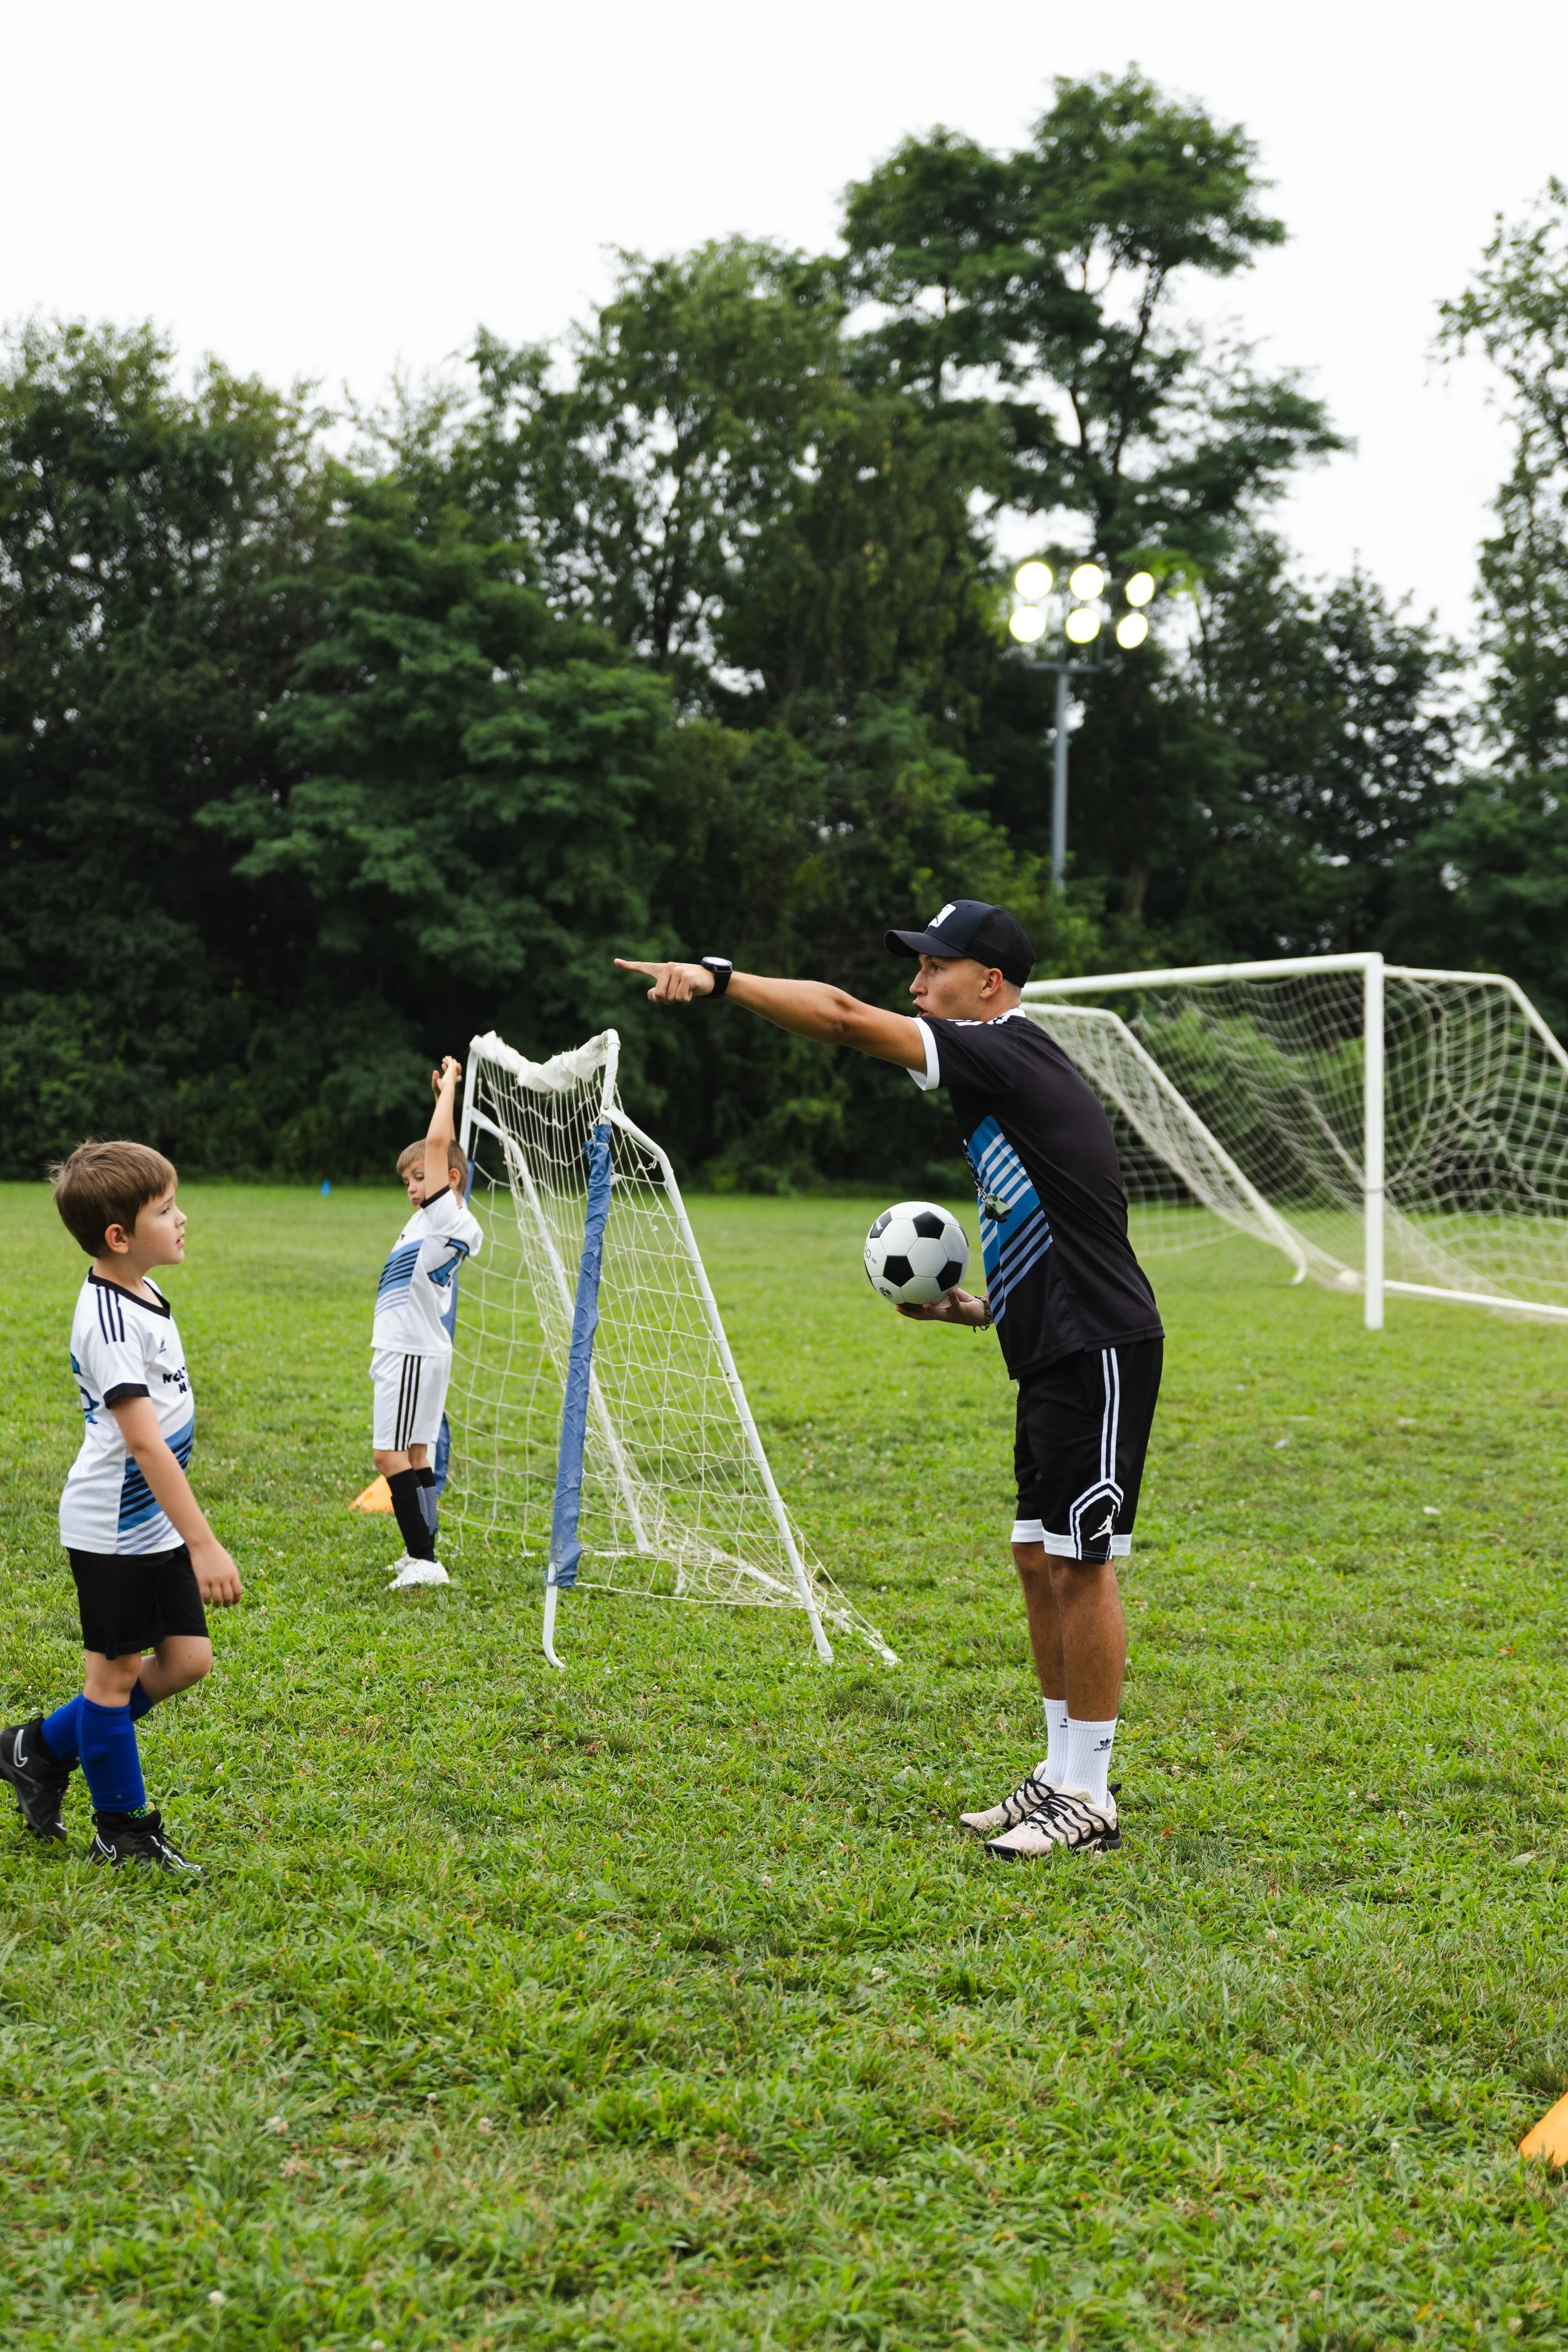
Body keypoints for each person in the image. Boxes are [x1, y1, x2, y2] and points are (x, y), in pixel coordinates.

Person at [616, 899, 1163, 1857]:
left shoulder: (1005, 1046)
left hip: (1098, 1346)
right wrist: (989, 1307)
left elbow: (836, 1015)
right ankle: (1057, 1771)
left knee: (1083, 1557)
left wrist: (721, 976)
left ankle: (1093, 1793)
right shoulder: (1000, 1070)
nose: (915, 988)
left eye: (932, 969)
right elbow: (1061, 1223)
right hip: (1048, 1342)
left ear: (986, 982)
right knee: (1038, 1557)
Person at [0, 1141, 243, 1872]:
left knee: (187, 1661)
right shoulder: (107, 1322)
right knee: (112, 1681)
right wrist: (204, 1543)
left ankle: (34, 1749)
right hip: (113, 1526)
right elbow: (143, 1445)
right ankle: (124, 1833)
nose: (182, 1219)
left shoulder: (140, 1293)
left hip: (151, 1523)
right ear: (119, 1237)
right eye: (166, 1210)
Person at [370, 1056, 483, 1589]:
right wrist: (440, 1104)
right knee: (416, 1453)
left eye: (421, 1179)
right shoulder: (432, 1218)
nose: (414, 1187)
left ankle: (425, 1560)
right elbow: (439, 1149)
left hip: (411, 1350)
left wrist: (448, 1093)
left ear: (449, 1180)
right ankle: (423, 1554)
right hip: (415, 1348)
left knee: (387, 1453)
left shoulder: (446, 1216)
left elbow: (440, 1149)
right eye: (410, 1181)